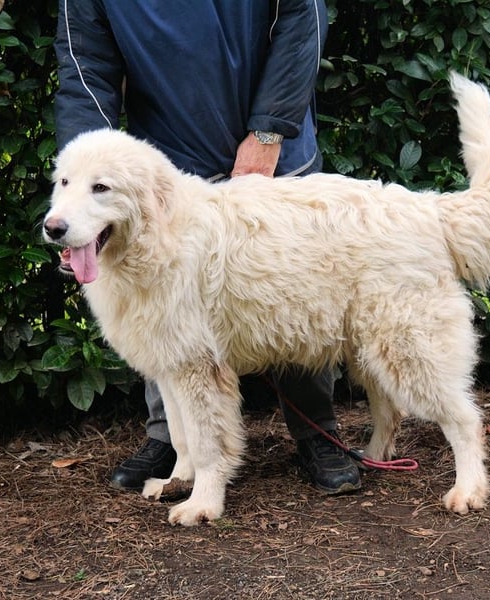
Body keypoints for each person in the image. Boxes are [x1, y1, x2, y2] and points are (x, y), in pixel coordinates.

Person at [53, 0, 361, 496]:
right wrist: (80, 177)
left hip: (272, 151)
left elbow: (301, 18)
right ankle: (173, 443)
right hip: (169, 164)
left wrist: (269, 130)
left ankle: (317, 432)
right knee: (159, 311)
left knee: (296, 299)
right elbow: (86, 66)